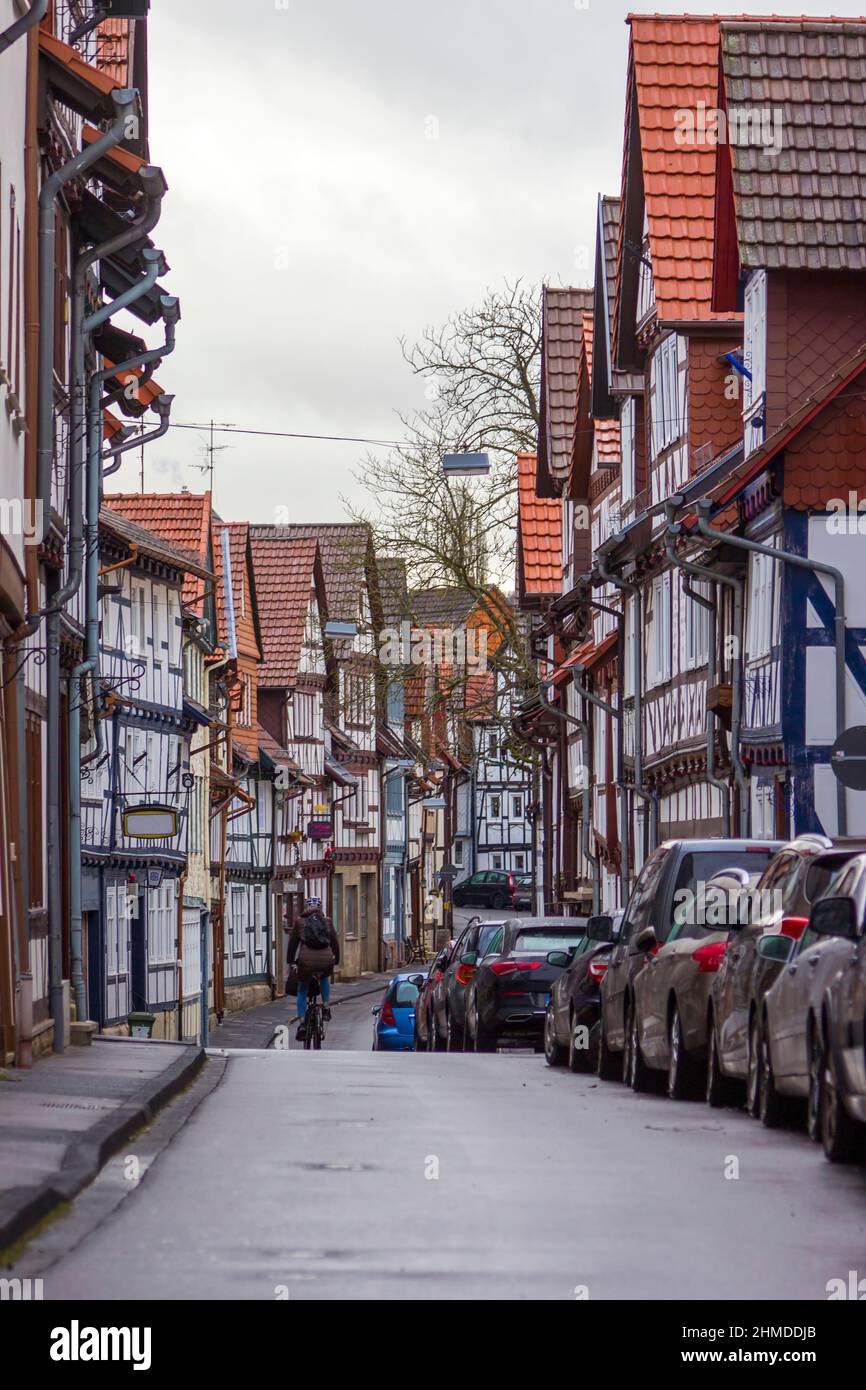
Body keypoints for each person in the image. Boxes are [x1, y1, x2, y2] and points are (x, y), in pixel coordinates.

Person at [287, 896, 340, 1041]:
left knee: (302, 989)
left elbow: (292, 944)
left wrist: (291, 961)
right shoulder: (327, 922)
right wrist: (336, 960)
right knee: (324, 977)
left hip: (306, 962)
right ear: (320, 908)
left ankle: (303, 1023)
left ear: (306, 908)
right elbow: (335, 943)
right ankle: (326, 1007)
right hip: (326, 960)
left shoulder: (299, 922)